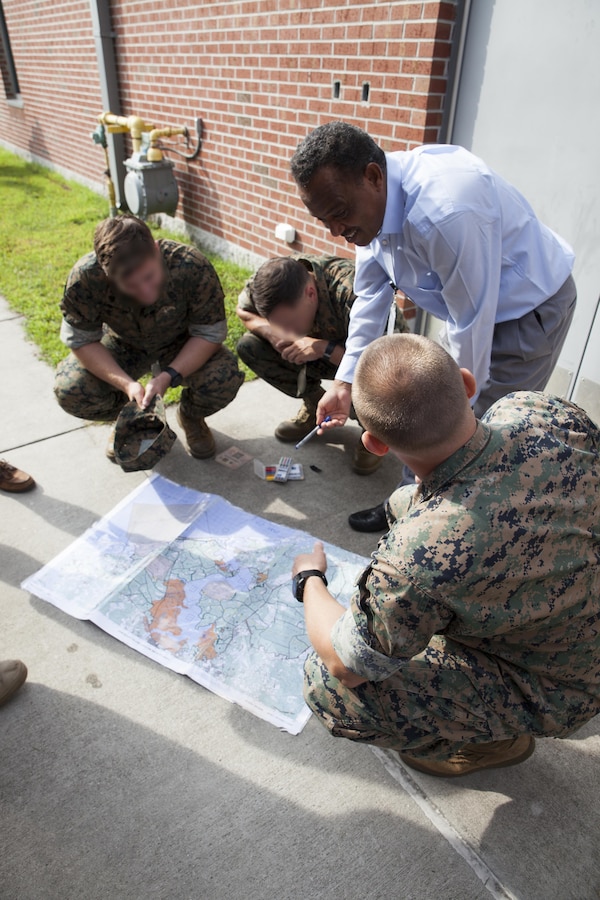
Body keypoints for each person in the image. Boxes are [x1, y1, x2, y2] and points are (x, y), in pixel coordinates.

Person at [292, 334, 600, 778]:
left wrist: (310, 580)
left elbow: (347, 663)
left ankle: (492, 743)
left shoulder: (419, 556)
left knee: (326, 686)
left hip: (566, 689)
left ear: (375, 443)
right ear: (467, 383)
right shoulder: (540, 410)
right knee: (404, 503)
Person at [290, 122, 577, 532]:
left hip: (527, 313)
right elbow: (371, 295)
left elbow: (472, 319)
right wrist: (344, 381)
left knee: (482, 433)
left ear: (373, 176)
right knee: (433, 423)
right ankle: (409, 513)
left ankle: (453, 538)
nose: (336, 231)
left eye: (338, 214)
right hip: (470, 310)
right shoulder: (368, 210)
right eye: (323, 220)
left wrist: (451, 410)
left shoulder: (445, 210)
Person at [54, 215, 244, 460]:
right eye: (130, 285)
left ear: (156, 250)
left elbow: (209, 333)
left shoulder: (190, 265)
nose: (144, 291)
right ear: (104, 272)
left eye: (149, 277)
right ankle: (129, 418)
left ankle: (191, 416)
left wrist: (170, 375)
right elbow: (80, 340)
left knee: (224, 375)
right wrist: (126, 384)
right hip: (124, 345)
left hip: (180, 343)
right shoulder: (86, 277)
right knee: (71, 389)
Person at [236, 255, 408, 474]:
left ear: (310, 293)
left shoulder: (354, 290)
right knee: (250, 346)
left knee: (381, 383)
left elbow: (389, 364)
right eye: (278, 323)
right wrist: (274, 334)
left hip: (372, 364)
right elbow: (244, 311)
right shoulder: (270, 284)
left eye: (290, 322)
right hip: (321, 356)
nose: (287, 330)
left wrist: (320, 348)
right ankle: (315, 406)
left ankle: (372, 434)